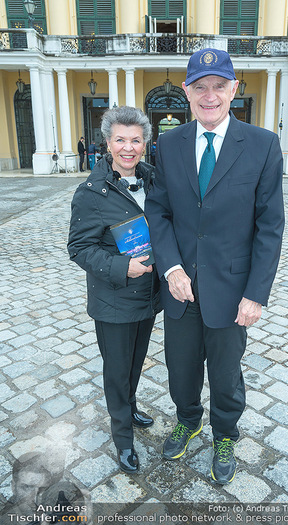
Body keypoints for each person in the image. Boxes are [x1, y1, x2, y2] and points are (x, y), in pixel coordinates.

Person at [145, 48, 285, 485]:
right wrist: (170, 268)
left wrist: (256, 294)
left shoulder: (262, 144)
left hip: (232, 288)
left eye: (218, 87)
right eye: (200, 87)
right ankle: (188, 419)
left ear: (233, 90)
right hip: (181, 287)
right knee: (180, 366)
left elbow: (270, 226)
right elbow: (158, 212)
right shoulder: (167, 144)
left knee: (226, 372)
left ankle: (225, 432)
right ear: (187, 92)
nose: (210, 96)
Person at [68, 106, 161, 474]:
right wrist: (123, 267)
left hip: (149, 296)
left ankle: (131, 404)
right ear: (107, 143)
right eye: (120, 140)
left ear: (144, 144)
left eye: (135, 140)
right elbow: (79, 248)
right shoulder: (90, 193)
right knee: (117, 369)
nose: (128, 148)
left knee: (136, 363)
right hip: (114, 300)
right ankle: (123, 438)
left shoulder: (154, 180)